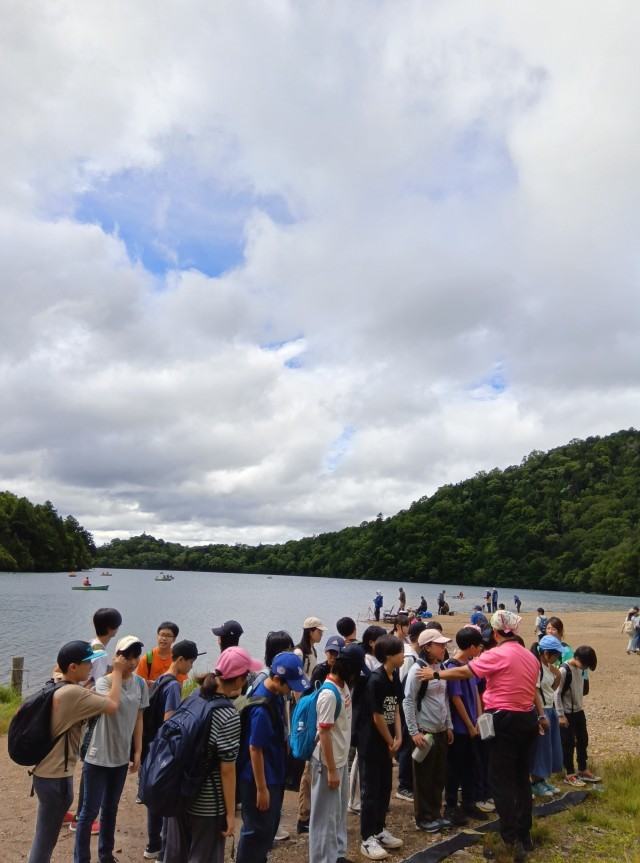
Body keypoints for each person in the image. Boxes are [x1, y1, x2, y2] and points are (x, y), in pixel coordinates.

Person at [418, 610, 540, 861]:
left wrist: (435, 674)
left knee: (500, 780)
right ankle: (525, 835)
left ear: (495, 633)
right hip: (528, 718)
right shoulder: (530, 656)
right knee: (521, 778)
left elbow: (465, 672)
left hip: (505, 720)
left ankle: (510, 840)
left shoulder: (497, 654)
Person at [27, 641, 123, 863]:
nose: (91, 667)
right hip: (56, 779)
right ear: (72, 667)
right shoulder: (73, 693)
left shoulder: (57, 683)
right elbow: (112, 705)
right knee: (44, 843)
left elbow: (64, 675)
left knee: (44, 839)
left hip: (45, 775)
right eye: (88, 663)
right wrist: (117, 672)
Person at [164, 646, 262, 863]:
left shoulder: (193, 696)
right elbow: (227, 770)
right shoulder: (228, 714)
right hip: (208, 805)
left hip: (179, 793)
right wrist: (230, 814)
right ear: (239, 679)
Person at [74, 635, 150, 863]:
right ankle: (81, 859)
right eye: (127, 657)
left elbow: (139, 718)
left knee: (110, 809)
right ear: (117, 657)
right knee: (89, 812)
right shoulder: (104, 683)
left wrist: (137, 751)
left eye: (136, 657)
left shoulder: (140, 684)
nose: (132, 662)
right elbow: (112, 705)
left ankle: (105, 855)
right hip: (98, 756)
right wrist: (116, 672)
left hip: (120, 756)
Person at [236, 652, 310, 863]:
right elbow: (255, 749)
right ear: (277, 679)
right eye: (290, 685)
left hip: (273, 774)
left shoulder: (275, 694)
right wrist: (261, 789)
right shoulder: (261, 708)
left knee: (268, 827)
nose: (292, 690)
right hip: (258, 779)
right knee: (255, 831)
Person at [144, 639, 206, 861]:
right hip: (165, 750)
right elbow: (170, 721)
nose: (191, 666)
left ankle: (153, 844)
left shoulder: (161, 679)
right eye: (190, 662)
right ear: (180, 660)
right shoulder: (173, 686)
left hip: (152, 748)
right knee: (167, 800)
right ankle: (162, 851)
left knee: (154, 797)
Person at [309, 644, 367, 863]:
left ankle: (337, 855)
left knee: (337, 813)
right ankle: (322, 859)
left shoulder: (343, 687)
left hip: (340, 759)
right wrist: (332, 770)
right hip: (327, 763)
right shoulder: (329, 694)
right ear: (348, 669)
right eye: (356, 671)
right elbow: (324, 733)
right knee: (324, 817)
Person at [68, 607, 123, 833]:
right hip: (85, 713)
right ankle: (81, 818)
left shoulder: (91, 645)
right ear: (113, 629)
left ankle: (66, 811)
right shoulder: (100, 655)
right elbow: (100, 689)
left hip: (73, 707)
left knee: (72, 761)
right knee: (89, 762)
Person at [358, 634, 404, 860]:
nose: (403, 656)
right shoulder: (375, 680)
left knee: (385, 788)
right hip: (372, 743)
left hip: (388, 743)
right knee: (371, 792)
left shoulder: (394, 676)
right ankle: (367, 838)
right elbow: (377, 716)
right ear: (388, 655)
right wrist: (390, 741)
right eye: (400, 652)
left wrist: (399, 737)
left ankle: (379, 830)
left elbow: (395, 708)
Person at [403, 629, 454, 833]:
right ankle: (423, 818)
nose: (444, 648)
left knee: (439, 775)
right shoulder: (417, 670)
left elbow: (445, 699)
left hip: (440, 729)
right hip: (425, 731)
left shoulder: (441, 668)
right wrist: (414, 732)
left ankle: (435, 813)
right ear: (427, 647)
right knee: (423, 777)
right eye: (439, 645)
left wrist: (449, 725)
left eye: (444, 644)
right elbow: (407, 701)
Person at [444, 627, 485, 822]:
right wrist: (469, 724)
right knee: (455, 767)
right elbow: (456, 698)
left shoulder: (469, 665)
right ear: (471, 647)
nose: (480, 649)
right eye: (479, 646)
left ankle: (468, 802)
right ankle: (451, 806)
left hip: (472, 724)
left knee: (472, 765)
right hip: (460, 727)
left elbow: (475, 691)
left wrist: (479, 717)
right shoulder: (453, 667)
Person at [294, 617, 327, 834]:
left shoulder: (312, 651)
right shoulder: (300, 653)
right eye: (318, 631)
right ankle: (303, 815)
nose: (321, 634)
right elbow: (296, 683)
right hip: (304, 707)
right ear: (310, 631)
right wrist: (302, 709)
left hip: (311, 704)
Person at [555, 645, 600, 787]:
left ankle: (582, 769)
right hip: (567, 713)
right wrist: (560, 715)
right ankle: (569, 773)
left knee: (583, 740)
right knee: (568, 744)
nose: (585, 668)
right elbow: (556, 694)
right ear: (577, 658)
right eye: (585, 664)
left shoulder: (581, 669)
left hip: (579, 711)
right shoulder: (564, 670)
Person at [395, 620, 427, 803]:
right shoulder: (409, 658)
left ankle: (408, 781)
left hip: (414, 709)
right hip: (407, 708)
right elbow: (404, 687)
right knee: (407, 745)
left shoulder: (415, 656)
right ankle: (403, 785)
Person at [529, 635, 563, 798]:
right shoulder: (537, 667)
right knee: (540, 748)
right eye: (556, 655)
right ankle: (535, 781)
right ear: (546, 653)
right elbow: (534, 691)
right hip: (541, 711)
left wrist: (556, 672)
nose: (558, 658)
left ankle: (541, 779)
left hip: (549, 708)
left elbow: (553, 686)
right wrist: (541, 715)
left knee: (548, 747)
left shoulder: (547, 666)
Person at [137, 622, 188, 688]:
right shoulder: (147, 659)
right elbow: (139, 684)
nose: (164, 638)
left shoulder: (178, 659)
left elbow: (180, 684)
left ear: (174, 639)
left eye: (168, 636)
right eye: (162, 635)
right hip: (152, 694)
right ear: (157, 636)